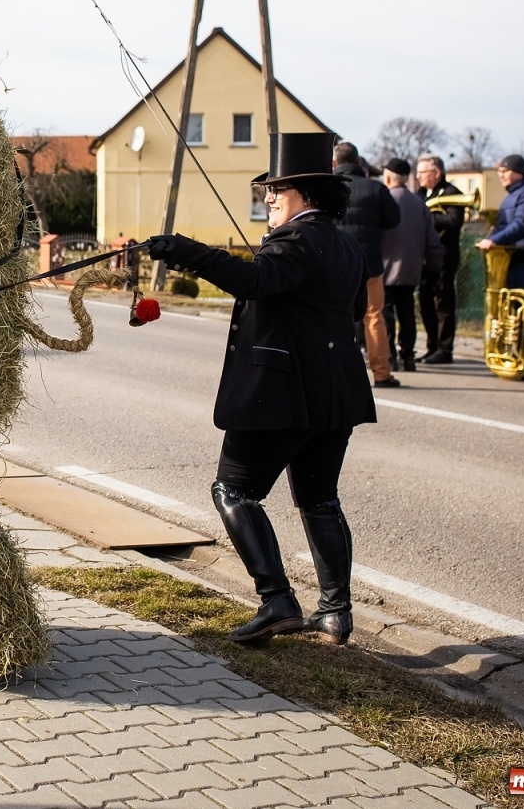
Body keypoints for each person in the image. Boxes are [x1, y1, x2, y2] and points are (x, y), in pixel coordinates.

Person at [143, 132, 374, 646]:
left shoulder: (296, 239)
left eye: (277, 189)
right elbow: (349, 311)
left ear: (307, 193)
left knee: (234, 490)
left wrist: (186, 250)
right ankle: (335, 613)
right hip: (337, 395)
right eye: (267, 189)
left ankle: (277, 601)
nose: (268, 196)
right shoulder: (344, 243)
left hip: (283, 394)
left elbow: (254, 281)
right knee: (320, 499)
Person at [476, 154, 524, 381]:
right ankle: (518, 359)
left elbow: (523, 223)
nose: (501, 175)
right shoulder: (514, 195)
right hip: (516, 256)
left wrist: (494, 240)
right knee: (512, 313)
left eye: (505, 171)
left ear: (518, 171)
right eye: (499, 171)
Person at [333, 142, 401, 388]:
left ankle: (336, 374)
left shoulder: (327, 187)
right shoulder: (376, 188)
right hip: (370, 263)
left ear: (334, 163)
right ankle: (381, 373)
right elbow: (393, 219)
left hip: (336, 264)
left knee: (333, 317)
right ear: (359, 162)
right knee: (373, 317)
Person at [380, 158, 443, 373]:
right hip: (411, 269)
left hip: (385, 267)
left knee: (386, 313)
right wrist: (434, 267)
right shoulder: (419, 203)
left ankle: (390, 357)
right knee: (407, 313)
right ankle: (408, 357)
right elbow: (433, 241)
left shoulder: (384, 200)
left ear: (388, 177)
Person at [415, 154, 464, 364]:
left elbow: (453, 221)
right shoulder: (420, 194)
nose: (418, 176)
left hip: (445, 256)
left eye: (422, 172)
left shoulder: (452, 193)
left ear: (436, 173)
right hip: (425, 258)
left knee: (443, 303)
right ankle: (432, 346)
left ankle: (445, 349)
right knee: (425, 303)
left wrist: (426, 217)